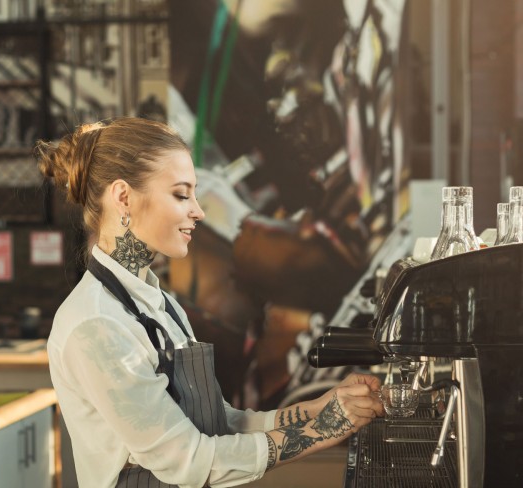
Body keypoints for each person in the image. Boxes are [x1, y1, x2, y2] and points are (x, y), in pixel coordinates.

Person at [35, 117, 384, 488]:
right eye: (182, 195)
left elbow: (218, 421)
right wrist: (323, 430)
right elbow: (188, 459)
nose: (198, 211)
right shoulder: (96, 325)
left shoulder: (161, 304)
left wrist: (318, 409)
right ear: (124, 197)